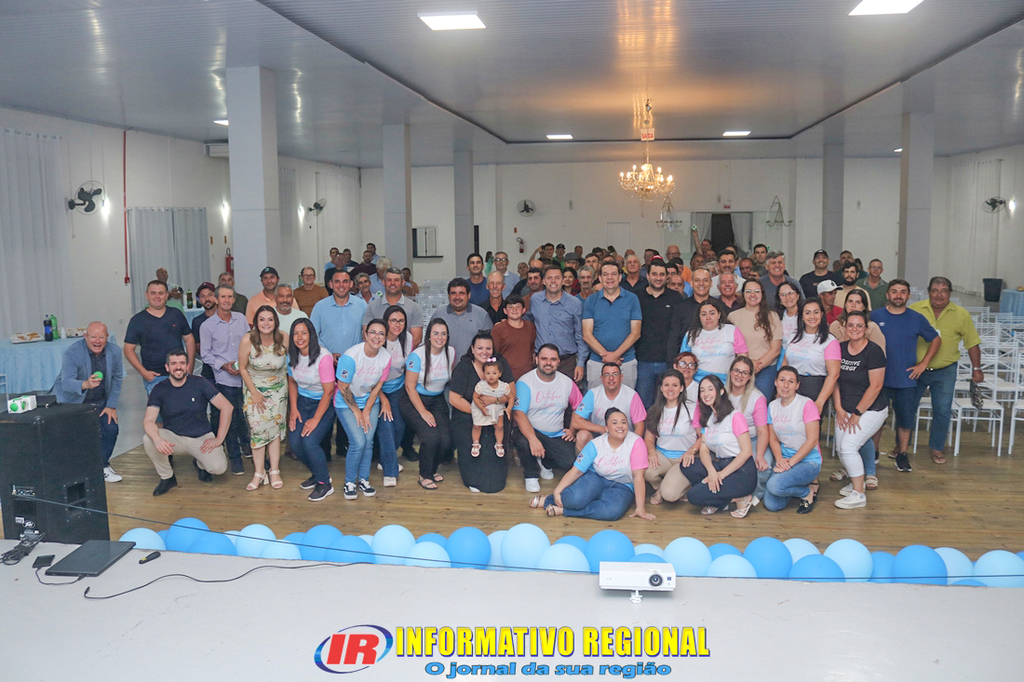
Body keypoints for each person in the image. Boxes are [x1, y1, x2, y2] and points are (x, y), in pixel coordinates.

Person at [528, 408, 654, 521]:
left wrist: (640, 508)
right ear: (606, 427)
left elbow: (638, 477)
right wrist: (557, 491)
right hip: (596, 478)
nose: (620, 426)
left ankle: (564, 511)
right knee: (573, 500)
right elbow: (576, 470)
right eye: (614, 423)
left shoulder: (636, 442)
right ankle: (550, 499)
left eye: (623, 422)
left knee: (612, 512)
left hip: (623, 486)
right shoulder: (596, 444)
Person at [909, 276, 984, 465]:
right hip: (915, 369)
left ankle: (937, 448)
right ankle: (901, 446)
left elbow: (972, 343)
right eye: (935, 290)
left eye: (943, 291)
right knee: (907, 408)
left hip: (945, 371)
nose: (939, 295)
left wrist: (976, 368)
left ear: (950, 293)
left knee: (942, 410)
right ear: (929, 292)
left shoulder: (961, 314)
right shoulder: (915, 309)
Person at [143, 349, 234, 496]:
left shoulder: (200, 383)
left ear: (187, 366)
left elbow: (227, 407)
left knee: (219, 468)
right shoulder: (159, 389)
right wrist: (157, 439)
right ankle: (167, 477)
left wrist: (219, 439)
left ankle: (200, 464)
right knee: (148, 439)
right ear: (167, 367)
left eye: (182, 363)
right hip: (174, 438)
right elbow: (148, 420)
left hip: (201, 438)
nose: (178, 367)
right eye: (174, 363)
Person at [873, 279, 941, 473]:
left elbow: (936, 340)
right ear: (888, 295)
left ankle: (902, 454)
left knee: (905, 420)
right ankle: (873, 452)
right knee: (877, 419)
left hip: (906, 379)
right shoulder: (875, 316)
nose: (898, 295)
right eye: (894, 291)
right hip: (880, 377)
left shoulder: (916, 318)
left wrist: (923, 364)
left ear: (908, 296)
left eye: (903, 292)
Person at [52, 321, 125, 482]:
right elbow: (66, 383)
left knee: (110, 428)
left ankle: (101, 466)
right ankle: (73, 470)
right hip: (72, 401)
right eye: (93, 337)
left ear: (107, 337)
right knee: (73, 436)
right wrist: (85, 384)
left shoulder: (115, 351)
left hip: (100, 400)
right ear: (85, 336)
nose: (97, 341)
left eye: (101, 337)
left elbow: (118, 378)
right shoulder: (73, 352)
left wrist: (111, 405)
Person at [675, 375, 757, 516]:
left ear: (721, 391)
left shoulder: (735, 416)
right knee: (687, 465)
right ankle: (717, 499)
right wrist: (712, 472)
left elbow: (747, 452)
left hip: (742, 472)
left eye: (710, 389)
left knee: (693, 496)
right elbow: (704, 450)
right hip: (721, 465)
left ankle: (741, 498)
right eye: (702, 390)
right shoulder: (709, 418)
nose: (706, 394)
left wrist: (720, 475)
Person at [830, 311, 888, 509]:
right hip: (845, 408)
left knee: (848, 447)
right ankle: (858, 482)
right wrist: (838, 408)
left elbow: (876, 386)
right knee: (841, 448)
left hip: (871, 410)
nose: (854, 329)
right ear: (845, 327)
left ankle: (858, 494)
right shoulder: (840, 349)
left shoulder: (874, 352)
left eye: (859, 325)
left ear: (866, 329)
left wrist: (857, 414)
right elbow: (835, 380)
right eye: (851, 325)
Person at [449, 333, 517, 493]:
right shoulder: (464, 367)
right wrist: (480, 413)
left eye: (488, 348)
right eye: (480, 348)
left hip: (496, 414)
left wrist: (495, 402)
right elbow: (454, 399)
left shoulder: (500, 364)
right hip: (469, 416)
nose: (484, 352)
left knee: (496, 444)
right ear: (472, 349)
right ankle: (472, 479)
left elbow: (511, 392)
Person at [513, 344, 584, 493]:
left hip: (555, 434)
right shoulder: (525, 382)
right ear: (536, 359)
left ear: (558, 362)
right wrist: (533, 439)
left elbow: (580, 408)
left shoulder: (567, 383)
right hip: (531, 432)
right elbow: (519, 414)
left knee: (569, 461)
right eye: (544, 359)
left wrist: (572, 429)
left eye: (553, 359)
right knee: (522, 441)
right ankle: (531, 475)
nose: (548, 363)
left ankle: (545, 462)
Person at [335, 318, 391, 500]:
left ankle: (364, 480)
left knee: (368, 441)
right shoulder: (351, 356)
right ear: (366, 335)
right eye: (373, 332)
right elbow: (343, 386)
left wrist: (366, 410)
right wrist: (357, 412)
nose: (377, 337)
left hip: (368, 399)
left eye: (381, 333)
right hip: (346, 402)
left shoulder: (386, 357)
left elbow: (378, 386)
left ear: (385, 337)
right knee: (358, 442)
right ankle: (350, 482)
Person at [199, 284, 252, 474]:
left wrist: (243, 363)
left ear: (234, 299)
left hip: (245, 376)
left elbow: (249, 342)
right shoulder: (207, 326)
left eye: (230, 297)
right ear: (216, 299)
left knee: (244, 415)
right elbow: (205, 354)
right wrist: (224, 365)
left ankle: (249, 448)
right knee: (229, 419)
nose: (227, 300)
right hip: (223, 379)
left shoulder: (241, 319)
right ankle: (235, 458)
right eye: (223, 297)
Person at [401, 318, 457, 490]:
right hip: (414, 399)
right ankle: (424, 475)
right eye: (436, 333)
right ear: (429, 336)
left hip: (437, 399)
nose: (440, 337)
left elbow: (450, 377)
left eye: (443, 334)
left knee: (446, 440)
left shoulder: (450, 352)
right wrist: (423, 412)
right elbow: (409, 387)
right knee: (431, 438)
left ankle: (432, 470)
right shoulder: (417, 356)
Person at [237, 306, 289, 490]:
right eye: (262, 319)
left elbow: (289, 362)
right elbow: (242, 368)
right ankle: (259, 473)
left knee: (274, 429)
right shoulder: (247, 340)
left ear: (275, 322)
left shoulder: (283, 338)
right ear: (256, 323)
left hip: (278, 390)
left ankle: (274, 471)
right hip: (254, 389)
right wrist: (254, 392)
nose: (266, 323)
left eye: (270, 319)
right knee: (257, 430)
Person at [286, 319, 337, 501]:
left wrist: (315, 419)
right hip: (302, 403)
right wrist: (293, 409)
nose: (299, 337)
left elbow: (328, 391)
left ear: (311, 335)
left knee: (309, 442)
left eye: (304, 333)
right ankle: (318, 473)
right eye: (295, 333)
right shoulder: (292, 355)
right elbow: (292, 381)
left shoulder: (323, 357)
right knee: (295, 444)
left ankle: (325, 484)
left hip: (324, 403)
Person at [764, 367, 823, 513]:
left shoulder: (807, 404)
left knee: (774, 486)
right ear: (775, 382)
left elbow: (812, 440)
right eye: (782, 380)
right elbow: (773, 438)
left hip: (808, 461)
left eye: (791, 382)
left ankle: (806, 492)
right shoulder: (772, 406)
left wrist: (790, 464)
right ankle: (796, 486)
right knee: (772, 505)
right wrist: (779, 460)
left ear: (797, 385)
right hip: (785, 459)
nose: (785, 385)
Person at [124, 280, 194, 394]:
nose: (157, 296)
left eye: (161, 293)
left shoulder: (176, 314)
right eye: (153, 293)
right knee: (159, 406)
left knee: (183, 404)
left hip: (179, 373)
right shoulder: (137, 320)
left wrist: (190, 366)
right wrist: (143, 372)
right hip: (155, 377)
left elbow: (189, 339)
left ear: (167, 295)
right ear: (146, 295)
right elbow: (128, 349)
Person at [643, 369, 700, 505]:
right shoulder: (654, 410)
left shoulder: (692, 409)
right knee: (643, 470)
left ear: (681, 388)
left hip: (684, 459)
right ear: (661, 388)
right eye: (666, 385)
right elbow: (649, 439)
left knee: (669, 494)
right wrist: (651, 452)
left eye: (675, 385)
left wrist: (691, 451)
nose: (670, 389)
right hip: (662, 456)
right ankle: (660, 488)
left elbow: (703, 436)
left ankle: (676, 486)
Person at [582, 262, 642, 389]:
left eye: (614, 274)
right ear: (600, 278)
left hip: (626, 362)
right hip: (597, 362)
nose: (609, 277)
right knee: (596, 400)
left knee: (626, 400)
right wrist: (606, 356)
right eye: (605, 274)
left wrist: (615, 355)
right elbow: (587, 334)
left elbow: (636, 333)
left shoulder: (632, 299)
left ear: (620, 277)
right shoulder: (591, 301)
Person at [634, 258, 683, 407]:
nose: (658, 278)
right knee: (643, 404)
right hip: (642, 360)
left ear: (667, 277)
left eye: (662, 274)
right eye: (654, 274)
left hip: (667, 361)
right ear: (647, 276)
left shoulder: (675, 298)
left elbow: (677, 330)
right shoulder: (636, 297)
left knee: (667, 403)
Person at [528, 264, 587, 382]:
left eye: (557, 278)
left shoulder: (574, 303)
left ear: (563, 280)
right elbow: (529, 321)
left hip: (566, 362)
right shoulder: (535, 300)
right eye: (549, 278)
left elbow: (580, 335)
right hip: (542, 361)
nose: (553, 281)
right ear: (543, 281)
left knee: (567, 394)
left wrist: (580, 363)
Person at [782, 298, 841, 414]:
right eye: (808, 313)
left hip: (815, 387)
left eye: (816, 312)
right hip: (791, 385)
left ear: (822, 314)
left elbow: (834, 374)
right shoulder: (793, 336)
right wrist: (782, 387)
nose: (812, 316)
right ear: (802, 316)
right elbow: (785, 362)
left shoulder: (829, 341)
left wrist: (820, 401)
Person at [726, 356, 771, 507]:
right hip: (729, 440)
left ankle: (755, 495)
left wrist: (759, 455)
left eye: (744, 373)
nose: (739, 375)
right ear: (730, 372)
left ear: (750, 376)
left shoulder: (757, 398)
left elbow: (763, 432)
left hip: (753, 440)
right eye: (736, 371)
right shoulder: (722, 393)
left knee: (762, 466)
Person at [572, 362, 646, 453]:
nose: (611, 378)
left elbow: (639, 426)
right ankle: (584, 462)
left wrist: (631, 446)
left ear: (621, 377)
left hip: (623, 437)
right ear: (601, 378)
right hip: (599, 436)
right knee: (582, 436)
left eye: (615, 374)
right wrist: (603, 429)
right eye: (607, 375)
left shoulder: (632, 395)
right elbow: (576, 421)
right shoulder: (593, 394)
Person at [729, 279, 782, 397]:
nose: (753, 295)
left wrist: (755, 366)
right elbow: (730, 347)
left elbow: (775, 349)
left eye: (757, 291)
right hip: (739, 370)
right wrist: (746, 366)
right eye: (748, 291)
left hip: (765, 370)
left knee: (761, 403)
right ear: (743, 294)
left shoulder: (772, 316)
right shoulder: (733, 317)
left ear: (762, 294)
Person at [678, 300, 748, 382]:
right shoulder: (690, 334)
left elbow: (743, 358)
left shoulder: (731, 330)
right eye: (704, 314)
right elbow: (683, 361)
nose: (708, 317)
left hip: (727, 382)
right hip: (698, 382)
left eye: (712, 313)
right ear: (699, 317)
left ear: (719, 315)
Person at [430, 277, 493, 358]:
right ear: (448, 296)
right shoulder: (439, 315)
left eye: (461, 293)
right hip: (444, 364)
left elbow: (490, 346)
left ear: (469, 295)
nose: (457, 297)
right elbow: (429, 344)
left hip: (474, 365)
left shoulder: (481, 315)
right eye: (453, 293)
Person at [362, 267, 425, 347]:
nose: (392, 283)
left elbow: (417, 338)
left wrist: (402, 353)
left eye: (396, 280)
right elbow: (366, 336)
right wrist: (382, 353)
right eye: (389, 280)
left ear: (403, 282)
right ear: (383, 282)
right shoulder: (372, 307)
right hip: (378, 353)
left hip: (406, 353)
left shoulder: (414, 307)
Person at [490, 294, 537, 380]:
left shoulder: (530, 327)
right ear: (505, 311)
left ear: (524, 310)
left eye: (518, 307)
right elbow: (493, 354)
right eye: (510, 307)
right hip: (505, 376)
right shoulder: (498, 329)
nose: (514, 310)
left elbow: (532, 350)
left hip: (528, 376)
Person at [471, 359, 511, 457]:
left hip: (497, 407)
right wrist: (481, 408)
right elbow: (475, 397)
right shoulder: (481, 385)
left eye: (494, 373)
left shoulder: (503, 386)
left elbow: (511, 397)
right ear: (484, 374)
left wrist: (509, 409)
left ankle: (499, 444)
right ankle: (475, 443)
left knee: (499, 426)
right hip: (482, 408)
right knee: (477, 426)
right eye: (488, 373)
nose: (491, 376)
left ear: (500, 374)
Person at [774, 281, 803, 373]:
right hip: (781, 354)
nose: (787, 297)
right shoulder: (776, 316)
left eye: (791, 293)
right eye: (783, 295)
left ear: (798, 295)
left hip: (801, 354)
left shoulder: (805, 314)